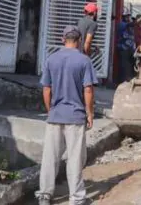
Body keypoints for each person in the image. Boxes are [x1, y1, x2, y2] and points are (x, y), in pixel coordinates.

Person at [35, 25, 97, 205]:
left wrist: (50, 110)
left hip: (55, 115)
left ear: (63, 39)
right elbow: (88, 90)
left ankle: (45, 195)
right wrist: (90, 113)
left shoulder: (51, 59)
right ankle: (76, 198)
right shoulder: (84, 61)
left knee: (50, 158)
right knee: (75, 159)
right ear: (78, 41)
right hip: (76, 117)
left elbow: (46, 89)